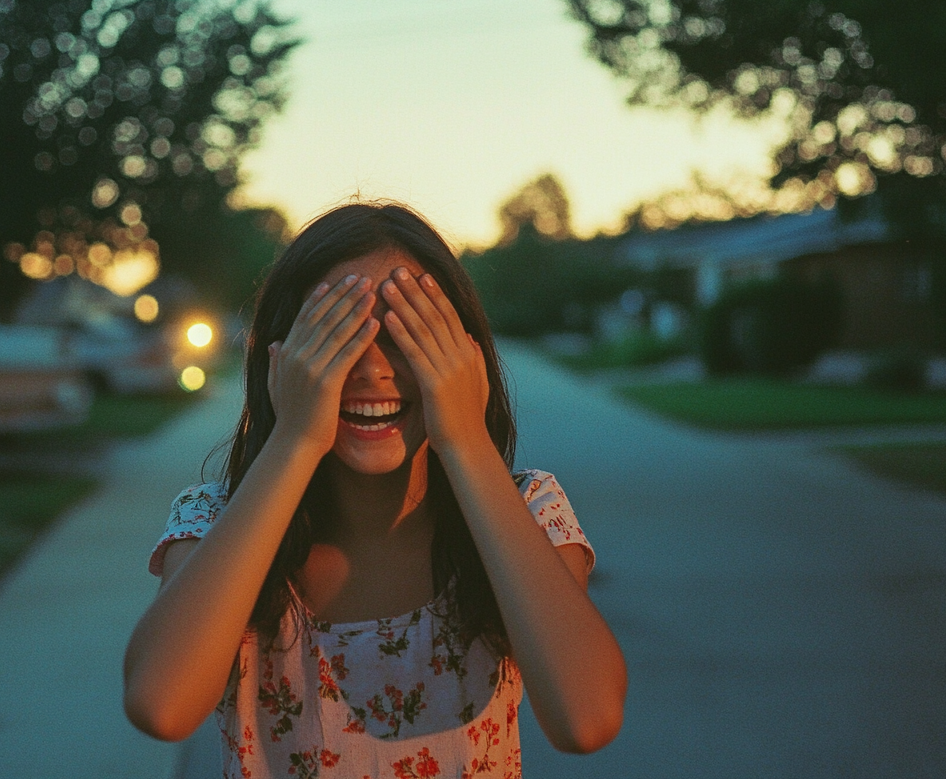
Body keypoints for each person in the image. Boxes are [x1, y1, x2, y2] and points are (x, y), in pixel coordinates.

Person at [123, 203, 626, 777]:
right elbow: (160, 707)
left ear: (465, 357)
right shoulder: (216, 520)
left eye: (409, 334)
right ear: (279, 359)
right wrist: (292, 439)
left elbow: (586, 719)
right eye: (336, 336)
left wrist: (465, 440)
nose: (371, 369)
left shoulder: (526, 513)